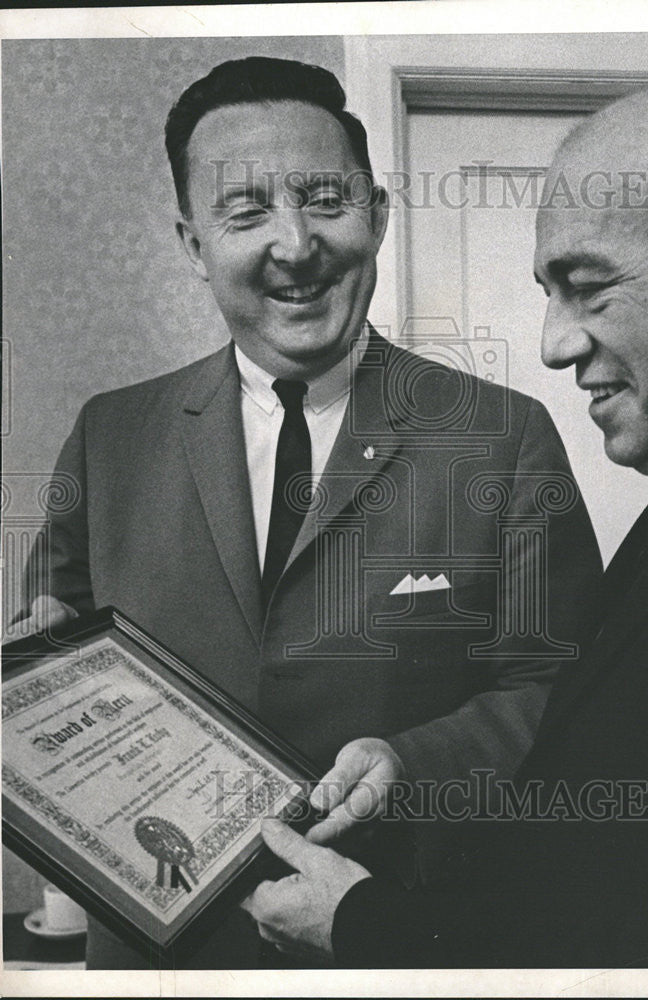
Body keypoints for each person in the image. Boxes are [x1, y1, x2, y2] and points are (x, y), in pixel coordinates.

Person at [241, 82, 648, 968]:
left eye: (589, 288)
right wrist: (406, 769)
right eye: (547, 294)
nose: (553, 345)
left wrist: (362, 920)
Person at [10, 58, 602, 968]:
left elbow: (563, 695)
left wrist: (414, 765)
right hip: (160, 965)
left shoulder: (504, 436)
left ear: (378, 215)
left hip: (394, 950)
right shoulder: (109, 436)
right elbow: (47, 654)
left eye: (326, 199)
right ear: (192, 242)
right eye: (245, 212)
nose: (294, 244)